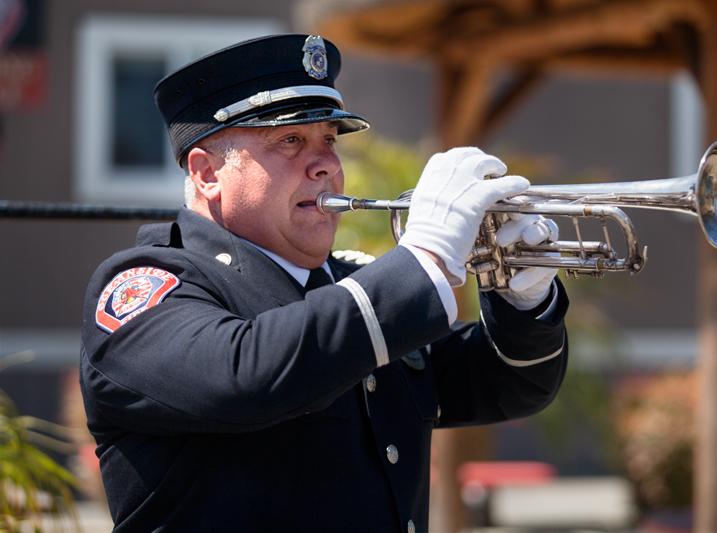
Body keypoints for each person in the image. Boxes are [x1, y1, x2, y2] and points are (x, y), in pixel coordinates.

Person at [79, 34, 569, 532]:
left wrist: (522, 301)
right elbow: (246, 377)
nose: (327, 166)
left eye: (329, 140)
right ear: (207, 174)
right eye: (290, 141)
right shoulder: (148, 286)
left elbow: (509, 386)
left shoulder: (352, 285)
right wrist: (422, 261)